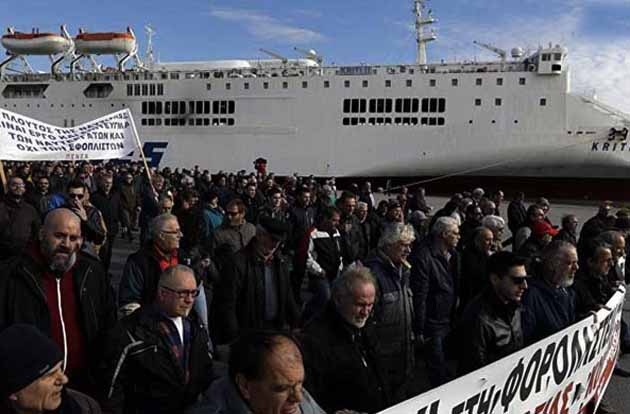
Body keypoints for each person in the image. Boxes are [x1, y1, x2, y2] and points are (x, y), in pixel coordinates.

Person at [0, 208, 117, 390]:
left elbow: (108, 325)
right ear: (41, 234)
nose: (67, 244)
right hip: (32, 390)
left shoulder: (92, 272)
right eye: (60, 236)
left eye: (74, 238)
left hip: (84, 384)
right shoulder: (12, 275)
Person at [100, 265, 214, 414]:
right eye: (183, 293)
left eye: (194, 293)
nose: (189, 300)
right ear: (162, 293)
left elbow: (205, 371)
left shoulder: (195, 326)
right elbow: (112, 389)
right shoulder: (132, 330)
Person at [301, 266, 389, 413]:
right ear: (339, 299)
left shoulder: (365, 326)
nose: (366, 312)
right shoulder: (316, 338)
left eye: (370, 305)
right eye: (360, 305)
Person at [191, 331, 325, 414]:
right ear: (245, 386)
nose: (298, 398)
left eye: (300, 384)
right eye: (281, 389)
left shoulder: (292, 394)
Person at [214, 216, 300, 344]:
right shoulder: (238, 264)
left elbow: (287, 295)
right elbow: (228, 304)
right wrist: (234, 337)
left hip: (274, 329)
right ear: (259, 235)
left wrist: (296, 323)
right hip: (248, 333)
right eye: (272, 240)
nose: (275, 245)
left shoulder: (280, 262)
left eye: (278, 241)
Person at [364, 223, 416, 402]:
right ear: (388, 244)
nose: (408, 250)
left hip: (404, 354)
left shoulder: (403, 270)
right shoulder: (373, 274)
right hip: (383, 359)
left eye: (410, 245)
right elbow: (366, 322)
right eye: (404, 245)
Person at [0, 324, 101, 414]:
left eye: (60, 369)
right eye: (50, 375)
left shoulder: (86, 408)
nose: (64, 379)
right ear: (13, 393)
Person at [410, 216, 461, 387]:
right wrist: (419, 329)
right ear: (444, 234)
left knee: (445, 362)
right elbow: (420, 295)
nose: (458, 237)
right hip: (432, 322)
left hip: (448, 318)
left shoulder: (454, 255)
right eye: (455, 233)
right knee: (437, 369)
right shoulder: (423, 256)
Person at [457, 252, 528, 374]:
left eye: (526, 279)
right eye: (517, 280)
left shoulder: (515, 306)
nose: (525, 286)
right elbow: (474, 370)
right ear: (495, 279)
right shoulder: (478, 318)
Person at [521, 241, 578, 345]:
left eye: (576, 262)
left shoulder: (567, 291)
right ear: (552, 265)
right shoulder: (530, 295)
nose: (576, 268)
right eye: (570, 263)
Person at [302, 206, 343, 322]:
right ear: (326, 219)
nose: (336, 223)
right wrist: (319, 271)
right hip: (320, 275)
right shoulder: (313, 233)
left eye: (338, 221)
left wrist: (340, 267)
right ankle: (305, 320)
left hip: (335, 273)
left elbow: (339, 252)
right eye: (334, 220)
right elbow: (307, 256)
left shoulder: (336, 233)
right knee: (324, 296)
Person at [0, 175, 41, 260]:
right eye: (14, 184)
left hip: (24, 256)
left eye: (21, 185)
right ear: (8, 187)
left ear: (24, 189)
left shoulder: (30, 209)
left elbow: (37, 231)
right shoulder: (1, 207)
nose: (18, 187)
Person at [65, 180, 107, 260]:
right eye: (72, 196)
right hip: (67, 252)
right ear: (67, 195)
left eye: (79, 196)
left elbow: (99, 238)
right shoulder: (61, 211)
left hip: (85, 254)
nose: (76, 199)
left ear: (84, 196)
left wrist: (86, 220)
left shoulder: (92, 212)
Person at [90, 172, 122, 272]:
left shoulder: (115, 195)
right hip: (100, 229)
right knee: (102, 251)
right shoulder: (95, 197)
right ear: (101, 183)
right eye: (106, 182)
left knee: (108, 252)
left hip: (112, 228)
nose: (108, 185)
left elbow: (119, 209)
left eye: (110, 183)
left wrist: (124, 223)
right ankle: (99, 271)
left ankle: (105, 271)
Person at [460, 227, 493, 308]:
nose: (491, 243)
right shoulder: (468, 256)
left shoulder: (485, 254)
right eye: (488, 240)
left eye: (492, 240)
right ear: (477, 241)